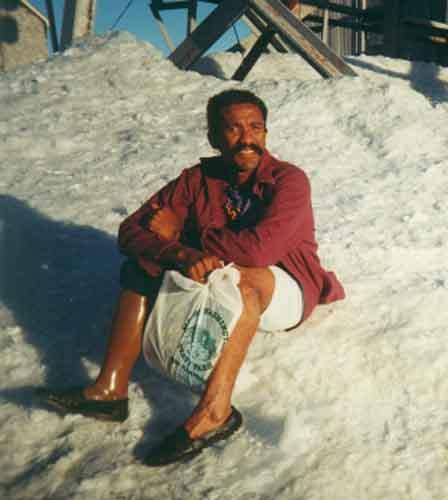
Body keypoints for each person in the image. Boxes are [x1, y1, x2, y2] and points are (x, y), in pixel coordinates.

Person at [43, 89, 345, 466]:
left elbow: (259, 251)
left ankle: (215, 413)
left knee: (242, 278)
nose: (247, 138)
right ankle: (110, 390)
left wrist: (187, 237)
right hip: (222, 279)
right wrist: (180, 253)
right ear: (214, 137)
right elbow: (131, 232)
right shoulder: (196, 180)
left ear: (266, 133)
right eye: (233, 129)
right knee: (141, 265)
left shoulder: (289, 180)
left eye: (255, 127)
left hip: (286, 288)